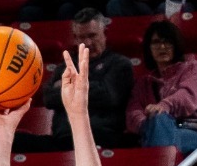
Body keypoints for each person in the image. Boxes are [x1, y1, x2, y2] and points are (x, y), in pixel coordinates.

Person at [15, 12, 135, 152]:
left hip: (101, 136)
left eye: (92, 36)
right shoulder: (67, 63)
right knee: (14, 140)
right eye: (82, 38)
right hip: (64, 139)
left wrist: (70, 86)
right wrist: (92, 88)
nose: (88, 43)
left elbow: (109, 96)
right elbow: (49, 98)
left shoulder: (119, 63)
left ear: (105, 33)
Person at [126, 19, 197, 156]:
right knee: (157, 124)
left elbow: (187, 96)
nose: (162, 47)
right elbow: (133, 111)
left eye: (167, 42)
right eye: (156, 42)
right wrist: (148, 125)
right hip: (155, 132)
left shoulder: (193, 68)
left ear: (176, 44)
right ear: (149, 48)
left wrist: (164, 107)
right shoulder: (144, 82)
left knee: (159, 119)